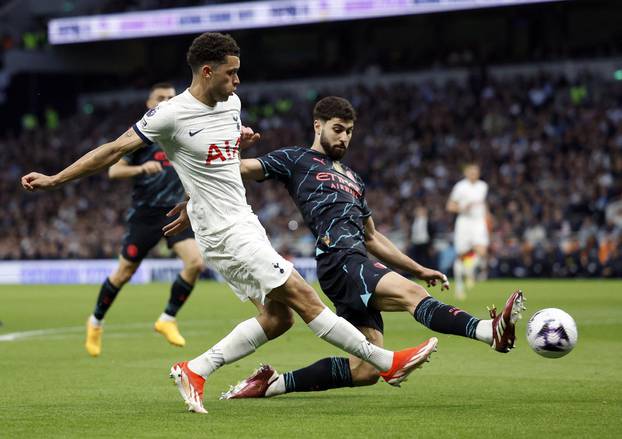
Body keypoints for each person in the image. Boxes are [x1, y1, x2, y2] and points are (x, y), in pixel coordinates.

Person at [21, 32, 437, 415]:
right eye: (231, 72)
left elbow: (212, 162)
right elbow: (113, 150)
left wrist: (202, 184)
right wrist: (56, 179)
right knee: (303, 296)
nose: (238, 81)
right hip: (223, 231)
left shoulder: (231, 105)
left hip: (244, 220)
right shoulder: (171, 115)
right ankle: (387, 362)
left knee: (278, 318)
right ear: (207, 71)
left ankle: (195, 369)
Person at [180, 96, 523, 400]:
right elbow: (238, 170)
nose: (344, 137)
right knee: (410, 295)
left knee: (365, 371)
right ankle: (485, 331)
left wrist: (416, 266)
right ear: (318, 126)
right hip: (339, 260)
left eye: (349, 132)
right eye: (337, 129)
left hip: (358, 258)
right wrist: (202, 192)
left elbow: (372, 236)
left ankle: (271, 384)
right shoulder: (295, 160)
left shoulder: (355, 179)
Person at [84, 83, 205, 357]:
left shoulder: (182, 133)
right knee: (124, 273)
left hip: (175, 211)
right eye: (160, 98)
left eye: (170, 98)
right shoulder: (141, 137)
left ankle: (167, 319)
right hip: (145, 214)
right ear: (149, 103)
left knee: (196, 262)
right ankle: (95, 322)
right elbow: (114, 171)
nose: (165, 102)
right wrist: (141, 168)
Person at [446, 163, 490, 300]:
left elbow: (483, 203)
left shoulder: (483, 186)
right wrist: (463, 209)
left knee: (481, 251)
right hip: (464, 222)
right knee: (462, 255)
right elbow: (450, 206)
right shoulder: (460, 187)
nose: (474, 174)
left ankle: (470, 271)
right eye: (471, 172)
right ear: (466, 173)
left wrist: (488, 216)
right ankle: (459, 286)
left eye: (476, 172)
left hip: (478, 222)